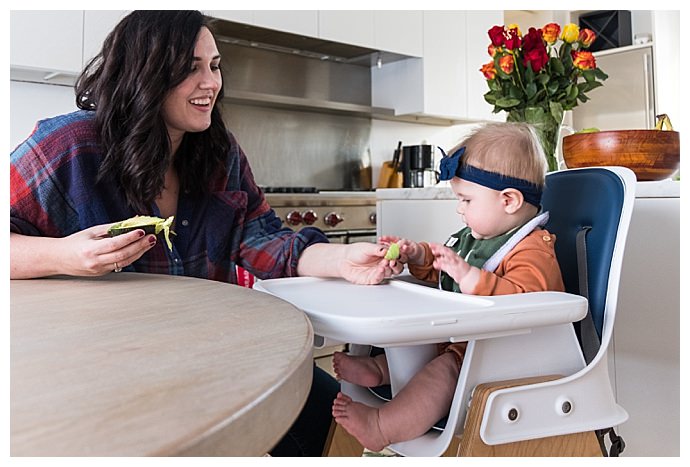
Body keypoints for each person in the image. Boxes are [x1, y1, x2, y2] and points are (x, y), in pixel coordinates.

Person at [9, 11, 402, 456]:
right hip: (99, 371)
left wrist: (343, 261)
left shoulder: (219, 151)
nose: (210, 82)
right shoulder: (68, 147)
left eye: (214, 66)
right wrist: (65, 256)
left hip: (217, 354)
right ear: (145, 72)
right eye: (191, 68)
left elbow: (262, 238)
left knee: (339, 428)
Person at [331, 122, 566, 452]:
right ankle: (380, 369)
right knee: (425, 342)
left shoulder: (532, 248)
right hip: (464, 340)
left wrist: (470, 278)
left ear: (509, 200)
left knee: (441, 371)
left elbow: (526, 301)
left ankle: (382, 426)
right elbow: (441, 269)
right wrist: (418, 254)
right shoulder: (479, 238)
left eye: (466, 200)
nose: (460, 208)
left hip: (506, 355)